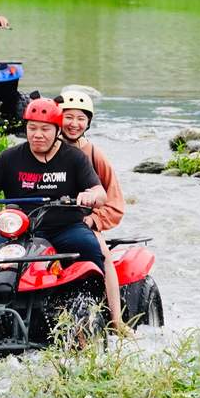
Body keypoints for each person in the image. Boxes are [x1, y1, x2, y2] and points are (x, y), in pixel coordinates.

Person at [0, 97, 108, 281]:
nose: (38, 135)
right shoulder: (9, 157)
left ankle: (96, 297)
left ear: (57, 130)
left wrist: (91, 195)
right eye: (32, 128)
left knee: (89, 247)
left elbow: (100, 194)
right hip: (16, 230)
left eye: (45, 129)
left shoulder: (75, 158)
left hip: (65, 228)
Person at [56, 90, 130, 333]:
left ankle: (117, 321)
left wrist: (93, 219)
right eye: (68, 117)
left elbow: (115, 203)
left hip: (82, 223)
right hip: (43, 221)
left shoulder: (94, 154)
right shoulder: (43, 147)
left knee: (103, 255)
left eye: (81, 118)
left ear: (88, 123)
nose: (74, 124)